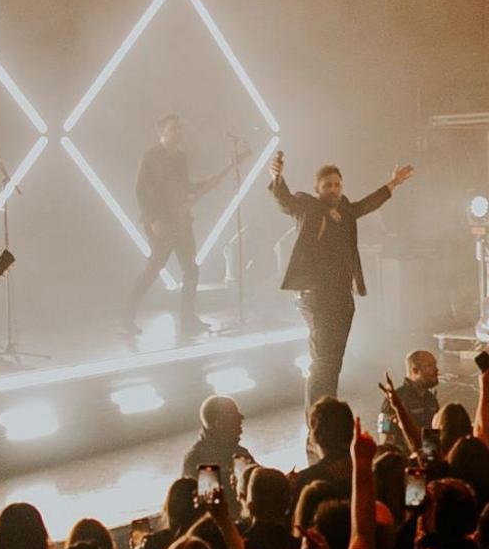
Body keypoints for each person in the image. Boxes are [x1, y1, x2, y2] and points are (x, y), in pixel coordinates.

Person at [267, 150, 411, 405]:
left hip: (342, 295)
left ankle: (327, 410)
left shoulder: (345, 210)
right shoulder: (308, 206)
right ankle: (317, 421)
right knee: (323, 361)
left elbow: (367, 204)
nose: (333, 189)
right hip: (316, 296)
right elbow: (285, 200)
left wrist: (393, 183)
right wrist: (277, 176)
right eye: (327, 186)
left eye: (336, 185)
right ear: (318, 189)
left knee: (334, 361)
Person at [125, 113, 245, 338]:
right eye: (174, 129)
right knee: (153, 270)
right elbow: (141, 191)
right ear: (162, 133)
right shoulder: (150, 157)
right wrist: (153, 220)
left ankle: (188, 319)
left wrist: (206, 183)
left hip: (181, 220)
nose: (179, 133)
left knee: (191, 269)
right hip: (160, 221)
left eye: (180, 129)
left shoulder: (181, 158)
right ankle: (125, 319)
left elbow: (184, 187)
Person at [379, 349, 441, 455]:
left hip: (426, 463)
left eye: (435, 364)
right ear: (415, 371)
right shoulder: (394, 400)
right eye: (430, 365)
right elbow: (385, 439)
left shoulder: (431, 400)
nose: (436, 370)